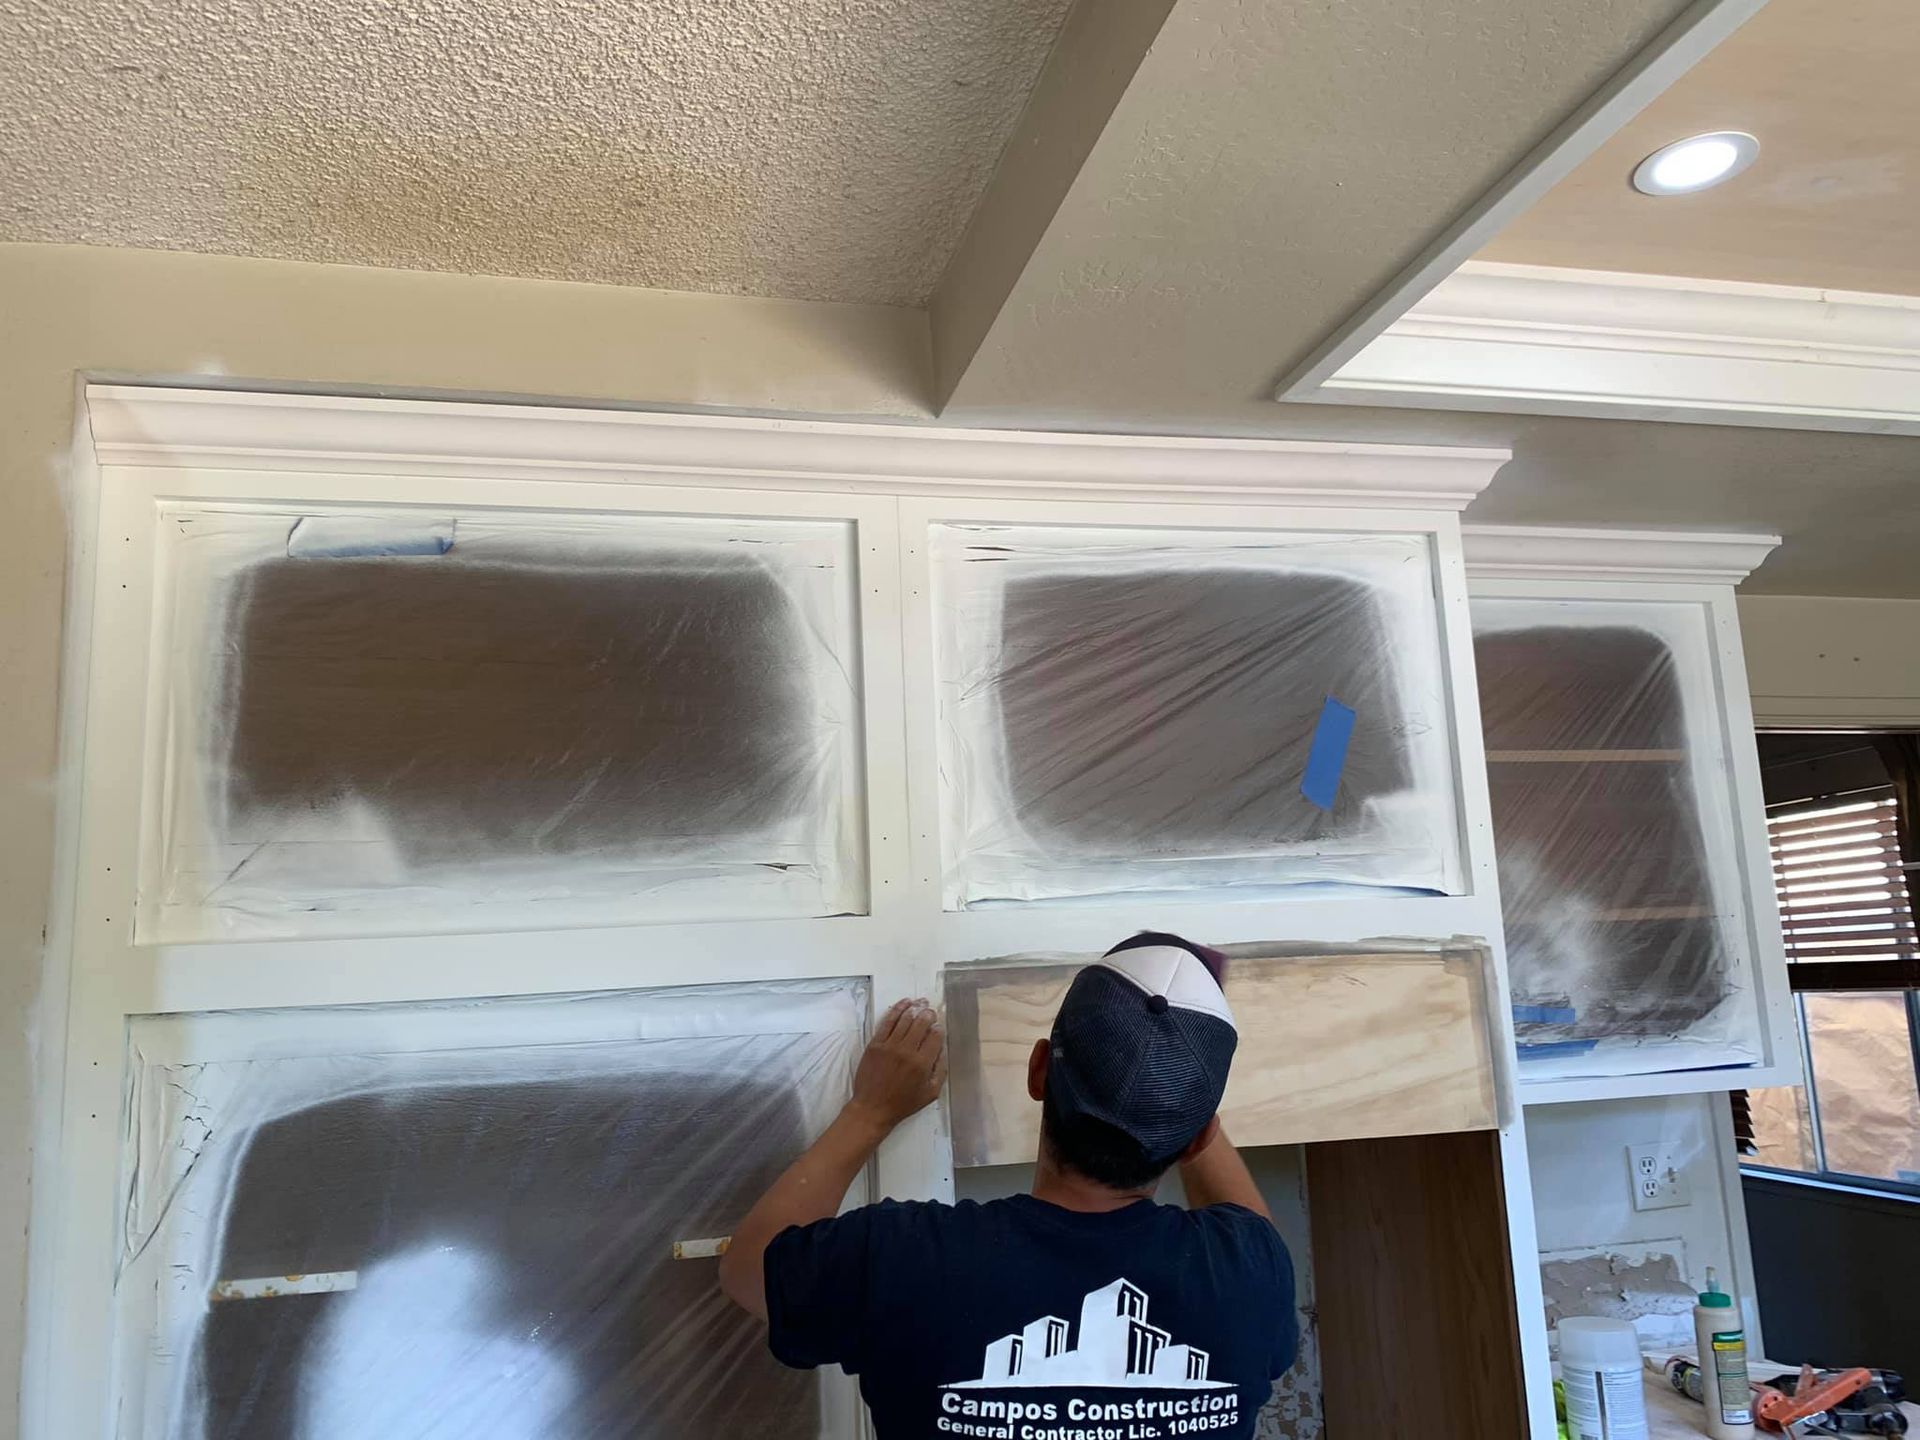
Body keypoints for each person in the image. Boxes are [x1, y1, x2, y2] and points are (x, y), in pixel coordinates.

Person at [718, 932, 1297, 1440]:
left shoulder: (909, 1260)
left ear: (1039, 1070)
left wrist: (871, 1110)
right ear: (1200, 1139)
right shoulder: (1250, 1278)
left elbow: (748, 1269)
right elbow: (1244, 1224)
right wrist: (1175, 1080)